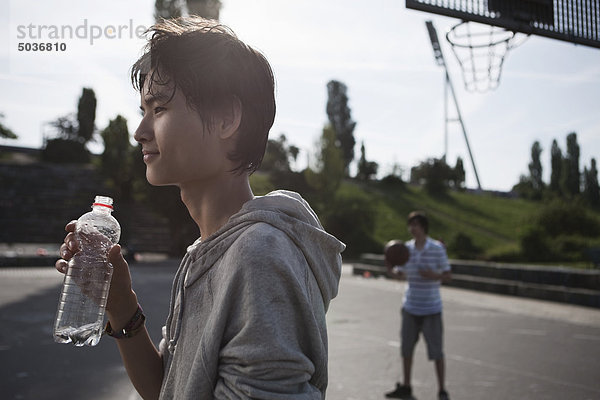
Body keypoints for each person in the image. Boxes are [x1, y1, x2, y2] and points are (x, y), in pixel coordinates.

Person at [56, 16, 345, 400]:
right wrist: (121, 306)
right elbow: (168, 388)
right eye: (143, 109)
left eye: (158, 109)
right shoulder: (205, 252)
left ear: (227, 118)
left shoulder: (259, 254)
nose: (140, 130)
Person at [385, 211, 452, 400]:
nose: (412, 228)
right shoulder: (405, 250)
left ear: (424, 228)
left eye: (415, 225)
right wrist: (390, 269)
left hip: (431, 308)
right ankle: (406, 386)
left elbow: (448, 275)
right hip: (410, 307)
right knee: (406, 350)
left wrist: (434, 276)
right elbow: (400, 275)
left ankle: (442, 389)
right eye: (410, 225)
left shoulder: (437, 249)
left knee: (437, 352)